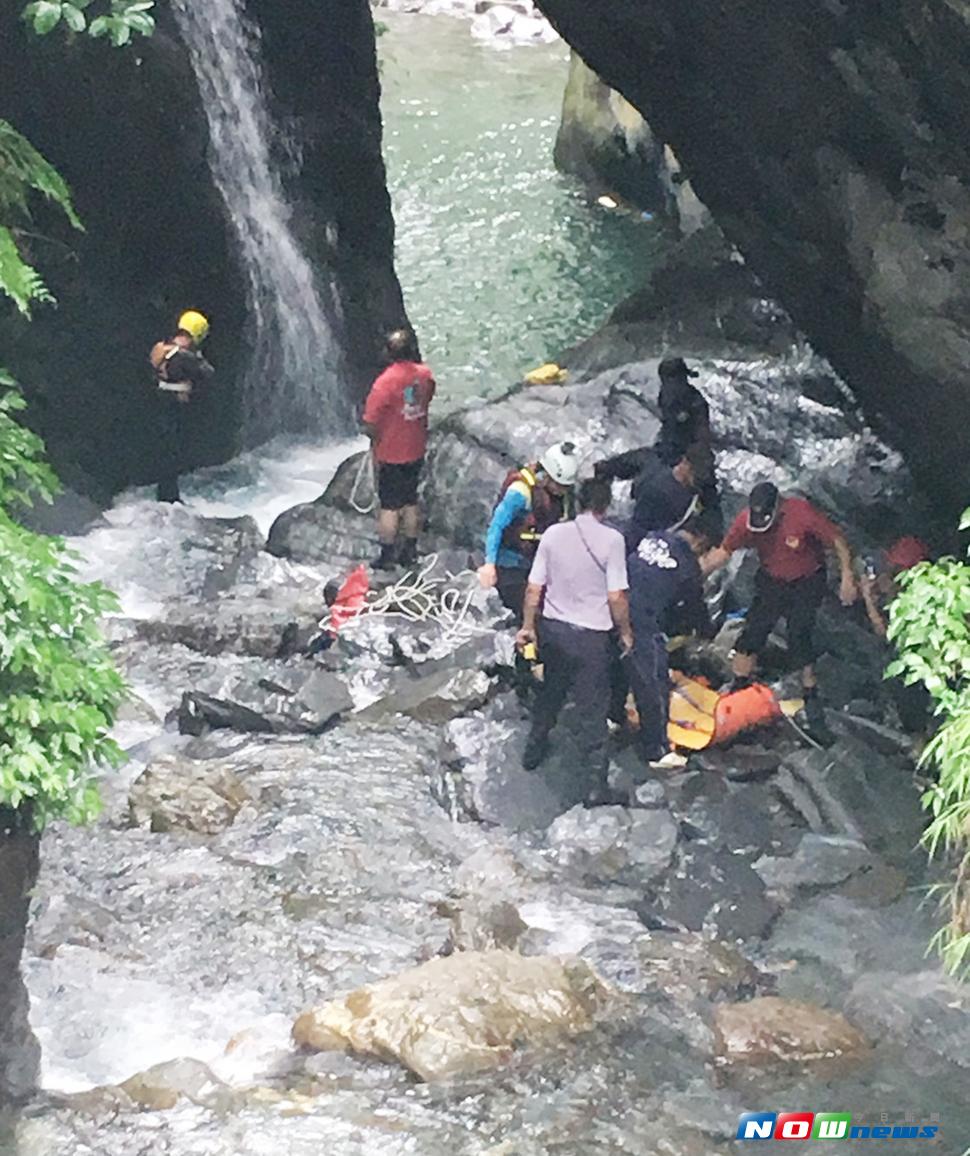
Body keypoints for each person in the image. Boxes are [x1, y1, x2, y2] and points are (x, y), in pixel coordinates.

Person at [516, 477, 632, 799]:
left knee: (550, 693)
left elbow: (534, 587)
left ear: (578, 501)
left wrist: (528, 627)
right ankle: (596, 787)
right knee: (593, 710)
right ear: (605, 506)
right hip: (592, 638)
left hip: (554, 631)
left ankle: (533, 750)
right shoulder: (613, 540)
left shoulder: (553, 534)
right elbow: (617, 596)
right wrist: (625, 633)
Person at [703, 482, 857, 725]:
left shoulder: (802, 513)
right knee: (753, 629)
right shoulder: (745, 521)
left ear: (779, 507)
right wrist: (693, 575)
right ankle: (739, 685)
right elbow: (725, 551)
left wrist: (847, 576)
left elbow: (837, 540)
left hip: (807, 580)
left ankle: (810, 692)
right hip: (771, 578)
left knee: (799, 631)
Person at [626, 517, 715, 769]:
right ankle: (656, 750)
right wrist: (706, 631)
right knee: (654, 683)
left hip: (613, 604)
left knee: (619, 665)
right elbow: (695, 607)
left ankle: (614, 716)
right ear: (701, 541)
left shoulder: (655, 534)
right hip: (643, 620)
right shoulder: (688, 566)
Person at [478, 441, 579, 621]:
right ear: (547, 476)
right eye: (559, 485)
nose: (562, 491)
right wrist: (489, 564)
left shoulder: (561, 496)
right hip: (510, 564)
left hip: (537, 563)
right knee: (528, 613)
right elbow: (497, 526)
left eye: (565, 487)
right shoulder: (520, 492)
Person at [362, 328, 436, 570]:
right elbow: (429, 395)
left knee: (390, 506)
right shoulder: (424, 375)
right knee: (410, 500)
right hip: (416, 447)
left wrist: (374, 441)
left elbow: (370, 422)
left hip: (391, 453)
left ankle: (387, 555)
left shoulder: (384, 383)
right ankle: (410, 551)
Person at [859, 536, 931, 734]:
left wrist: (869, 600)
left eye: (899, 571)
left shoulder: (920, 599)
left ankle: (918, 732)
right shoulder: (890, 585)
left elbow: (885, 633)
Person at [149, 310, 214, 503]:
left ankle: (166, 495)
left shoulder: (162, 348)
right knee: (172, 453)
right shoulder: (186, 357)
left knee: (166, 453)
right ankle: (169, 499)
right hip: (173, 407)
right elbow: (208, 373)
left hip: (159, 402)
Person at [655, 356, 711, 466]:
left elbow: (702, 435)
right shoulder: (664, 396)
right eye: (665, 380)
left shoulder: (695, 401)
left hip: (688, 455)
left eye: (677, 378)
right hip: (667, 449)